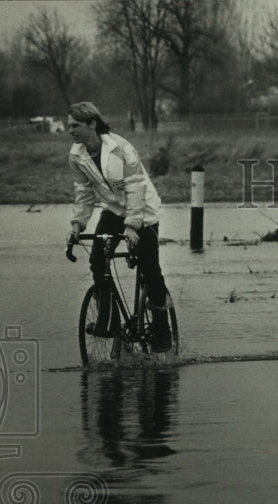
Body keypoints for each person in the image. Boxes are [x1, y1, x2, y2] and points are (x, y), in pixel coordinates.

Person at [66, 101, 172, 352]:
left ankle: (161, 327)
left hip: (143, 211)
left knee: (151, 269)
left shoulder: (122, 148)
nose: (70, 130)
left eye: (75, 125)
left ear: (92, 123)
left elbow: (136, 188)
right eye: (68, 126)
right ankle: (109, 319)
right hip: (114, 210)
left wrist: (133, 226)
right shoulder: (76, 155)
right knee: (97, 259)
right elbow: (84, 194)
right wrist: (77, 225)